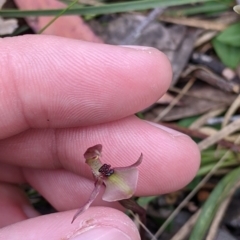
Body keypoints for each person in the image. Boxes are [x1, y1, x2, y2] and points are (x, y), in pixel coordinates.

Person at [0, 35, 200, 240]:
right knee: (134, 210)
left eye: (96, 157)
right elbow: (98, 193)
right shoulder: (100, 175)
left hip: (112, 178)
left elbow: (127, 175)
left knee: (139, 210)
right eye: (93, 159)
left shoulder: (106, 173)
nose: (96, 159)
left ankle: (143, 225)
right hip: (109, 179)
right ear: (90, 162)